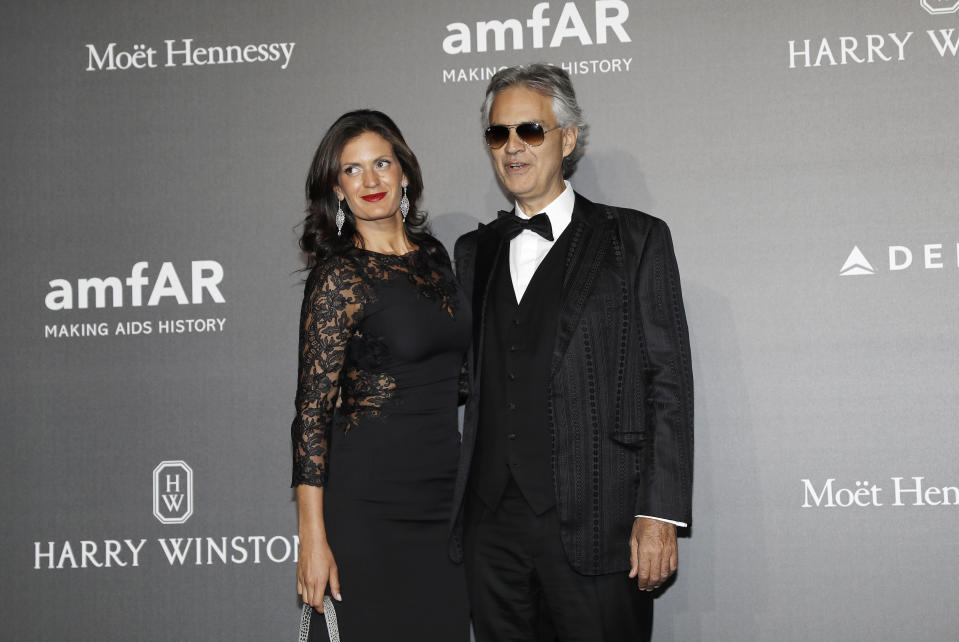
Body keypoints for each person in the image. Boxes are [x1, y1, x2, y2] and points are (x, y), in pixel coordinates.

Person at [450, 64, 694, 641]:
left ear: (567, 138)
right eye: (498, 133)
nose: (512, 147)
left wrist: (658, 513)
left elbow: (668, 383)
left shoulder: (636, 239)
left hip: (600, 523)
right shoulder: (471, 252)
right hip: (492, 529)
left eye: (529, 130)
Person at [291, 110, 470, 641]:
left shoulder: (436, 259)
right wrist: (312, 538)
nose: (370, 181)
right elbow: (311, 415)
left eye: (382, 163)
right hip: (368, 503)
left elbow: (454, 376)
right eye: (352, 170)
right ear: (337, 190)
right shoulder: (339, 277)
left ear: (405, 173)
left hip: (445, 496)